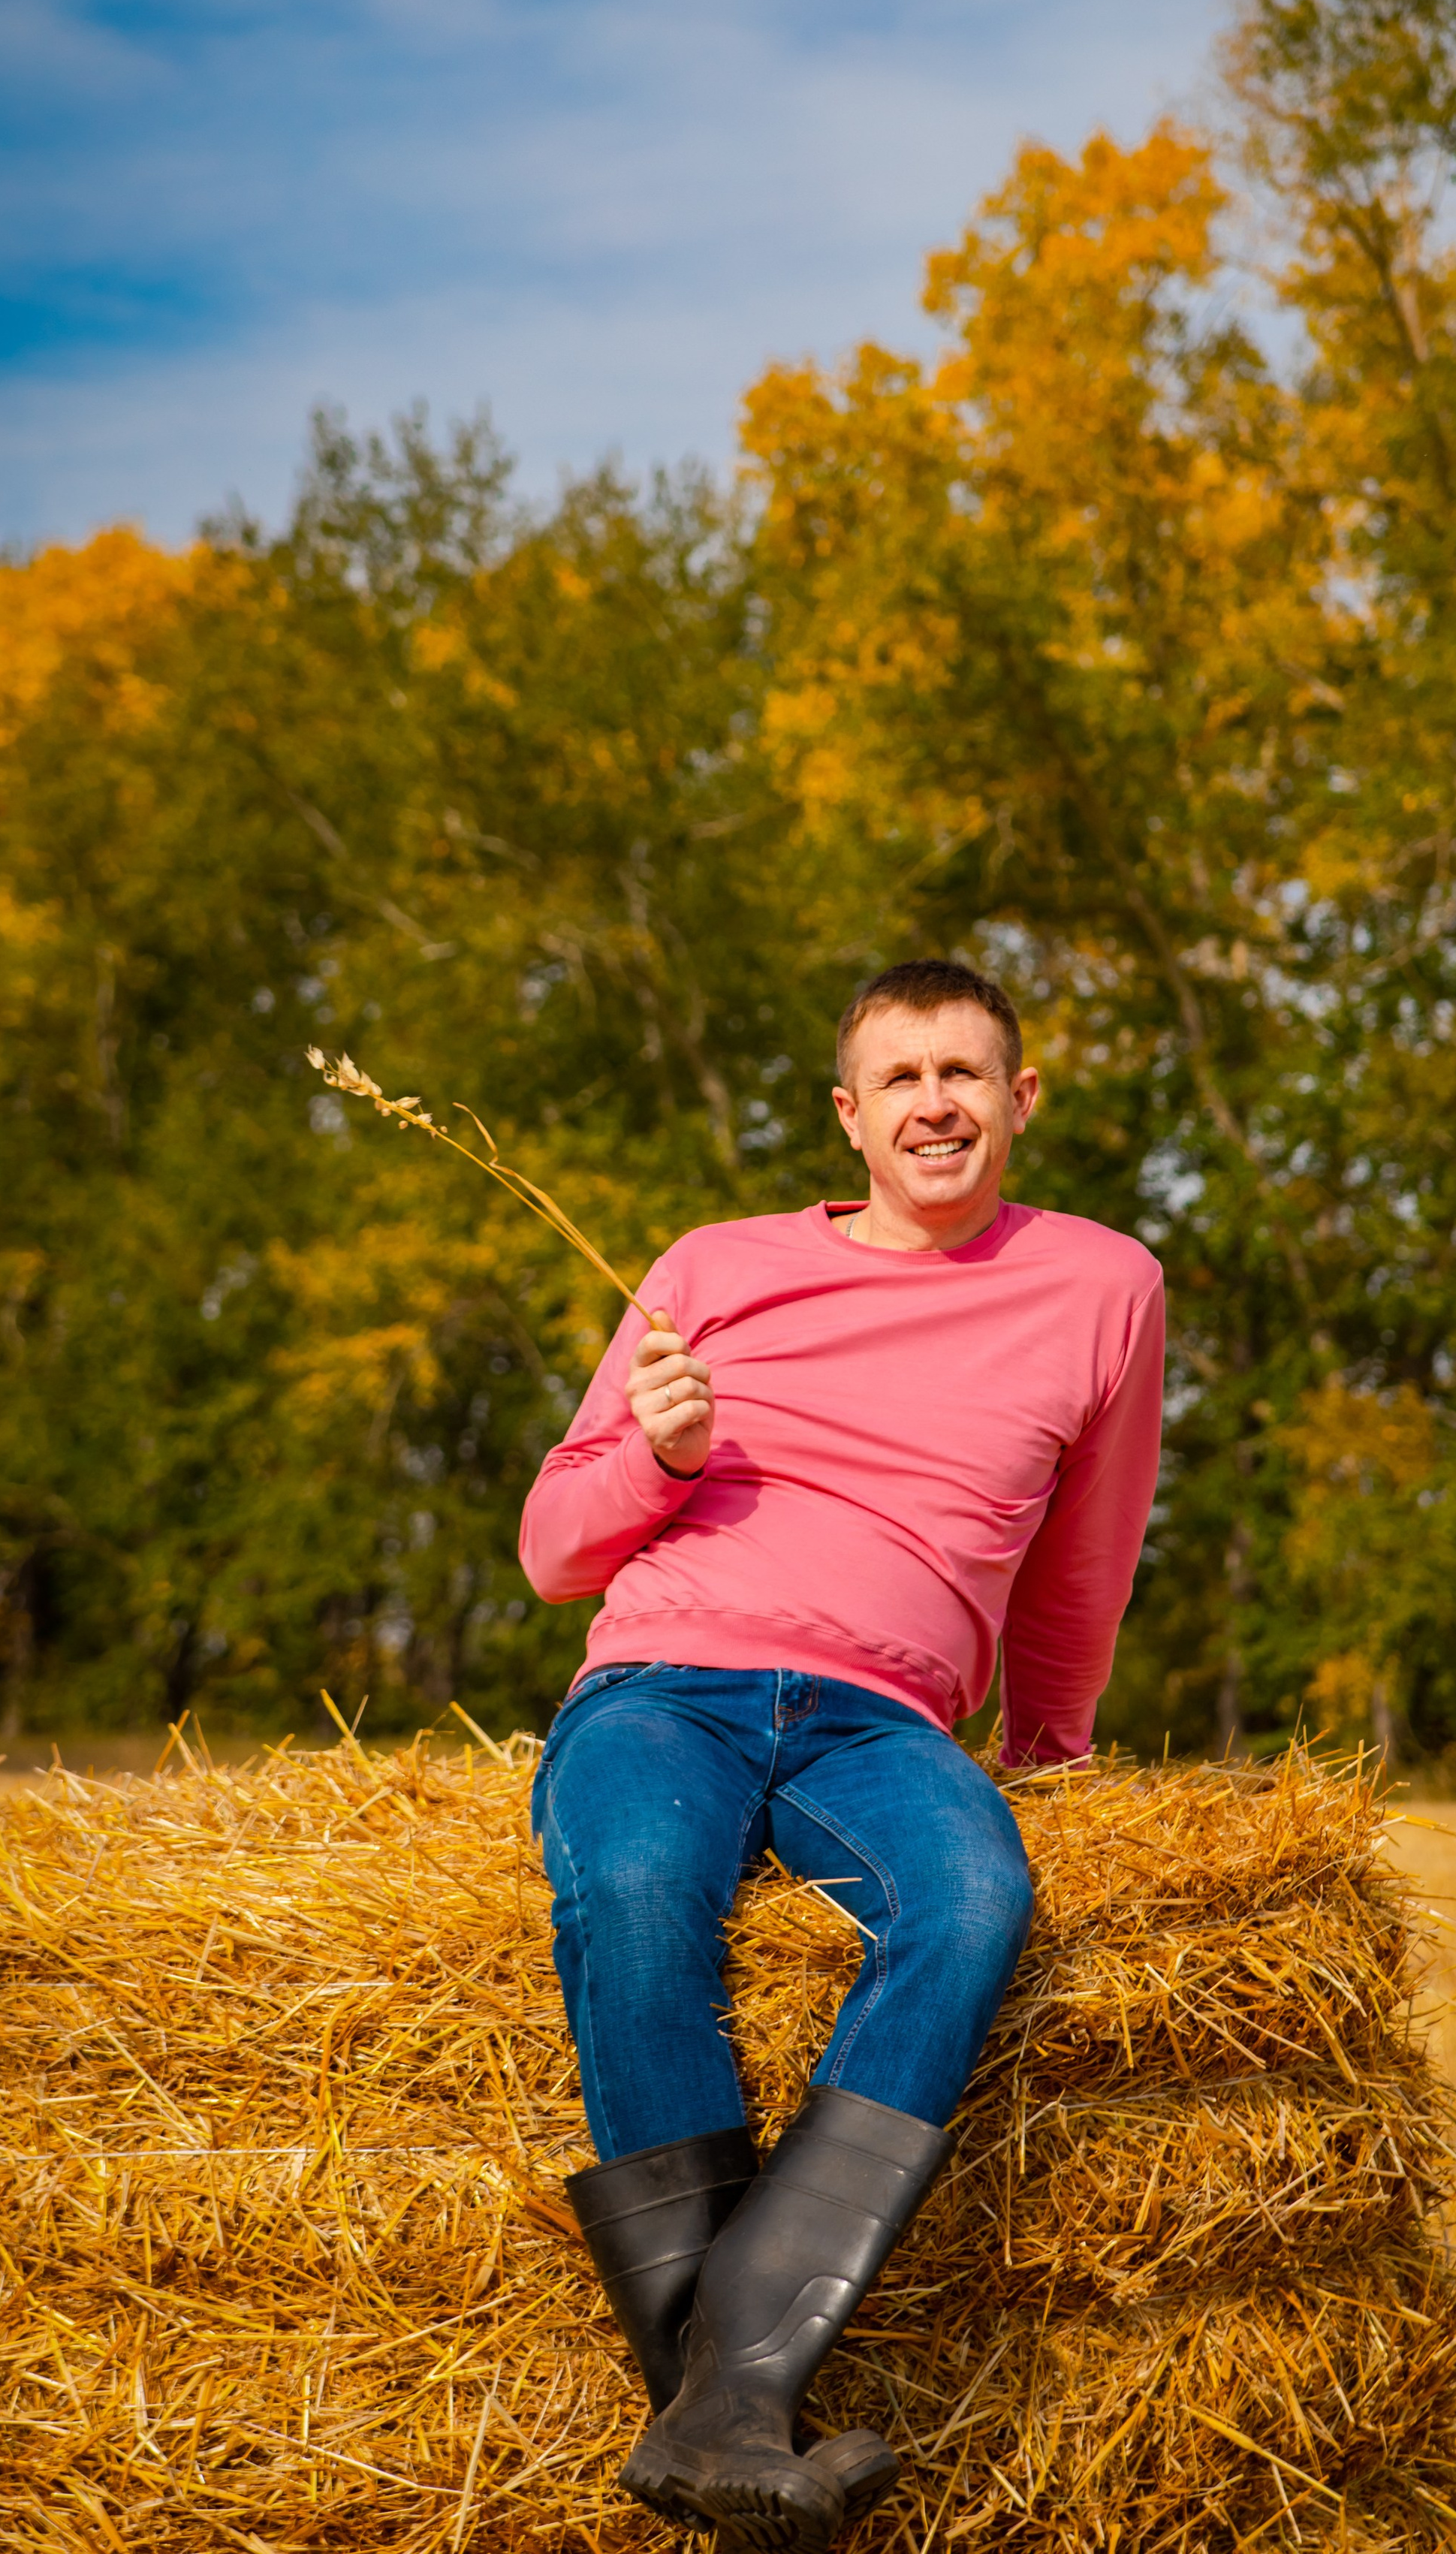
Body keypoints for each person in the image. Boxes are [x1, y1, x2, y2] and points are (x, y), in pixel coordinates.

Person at [520, 959, 1165, 2551]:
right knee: (638, 1883)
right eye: (899, 1078)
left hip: (882, 1717)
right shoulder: (714, 1264)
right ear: (848, 1115)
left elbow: (1082, 1557)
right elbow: (550, 1549)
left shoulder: (1101, 1285)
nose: (933, 1101)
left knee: (968, 1896)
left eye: (963, 1072)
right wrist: (657, 1455)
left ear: (1020, 1100)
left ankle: (713, 2404)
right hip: (666, 1682)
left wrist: (1051, 1746)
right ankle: (732, 2406)